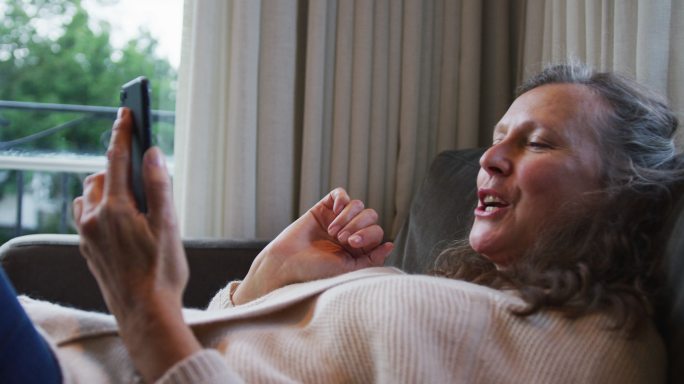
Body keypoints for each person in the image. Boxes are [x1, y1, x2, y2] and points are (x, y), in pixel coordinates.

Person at [2, 62, 682, 383]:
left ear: (619, 189)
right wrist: (269, 279)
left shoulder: (599, 355)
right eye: (498, 135)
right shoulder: (496, 305)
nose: (491, 158)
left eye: (535, 143)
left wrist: (144, 302)